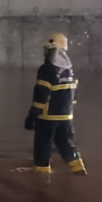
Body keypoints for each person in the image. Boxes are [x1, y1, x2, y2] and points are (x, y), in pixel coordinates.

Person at [24, 32, 86, 175]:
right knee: (67, 145)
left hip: (48, 118)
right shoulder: (70, 70)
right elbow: (73, 94)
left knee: (43, 146)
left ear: (50, 48)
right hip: (66, 118)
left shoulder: (47, 69)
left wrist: (32, 115)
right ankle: (79, 171)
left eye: (45, 48)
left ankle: (42, 176)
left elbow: (41, 93)